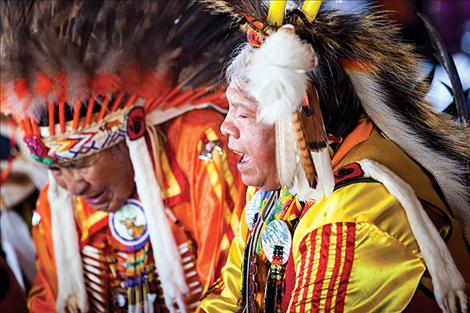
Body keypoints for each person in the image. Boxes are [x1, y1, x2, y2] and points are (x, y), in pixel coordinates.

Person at [200, 1, 470, 312]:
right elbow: (229, 298)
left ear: (296, 118)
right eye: (229, 108)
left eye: (244, 114)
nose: (225, 127)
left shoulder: (354, 213)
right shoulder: (278, 186)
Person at [0, 1, 246, 312]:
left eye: (79, 163)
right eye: (57, 168)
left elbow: (233, 288)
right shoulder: (56, 202)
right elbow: (48, 302)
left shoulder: (200, 150)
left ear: (130, 135)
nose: (72, 185)